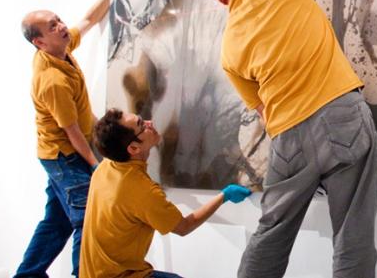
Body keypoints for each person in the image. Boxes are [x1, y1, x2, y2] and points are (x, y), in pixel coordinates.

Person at [201, 0, 377, 278]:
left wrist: (309, 158)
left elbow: (262, 110)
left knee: (270, 233)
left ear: (220, 0)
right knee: (351, 236)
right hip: (341, 115)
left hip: (288, 137)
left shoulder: (229, 50)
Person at [16, 0, 112, 278]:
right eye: (52, 26)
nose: (61, 27)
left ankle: (26, 275)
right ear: (39, 42)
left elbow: (88, 20)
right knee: (86, 218)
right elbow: (72, 133)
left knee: (56, 221)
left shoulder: (61, 48)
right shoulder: (52, 80)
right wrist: (95, 164)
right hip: (63, 155)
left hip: (61, 151)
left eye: (58, 20)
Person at [80, 108, 252, 278]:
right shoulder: (142, 190)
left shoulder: (106, 166)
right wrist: (224, 196)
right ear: (133, 148)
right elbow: (184, 227)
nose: (150, 123)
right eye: (142, 125)